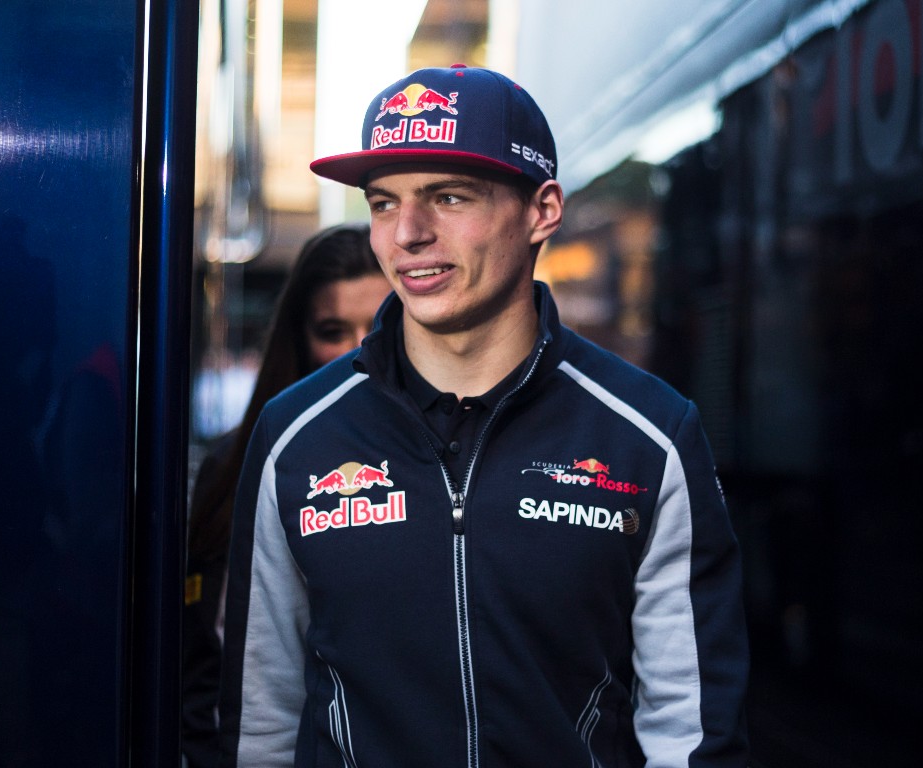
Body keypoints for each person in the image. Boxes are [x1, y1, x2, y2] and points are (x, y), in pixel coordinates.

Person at [217, 64, 748, 767]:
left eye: (448, 196)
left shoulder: (647, 436)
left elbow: (692, 731)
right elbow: (260, 721)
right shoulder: (297, 438)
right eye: (382, 203)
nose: (407, 233)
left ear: (542, 210)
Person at [181, 223, 388, 768]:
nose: (357, 349)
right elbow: (203, 662)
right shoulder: (238, 463)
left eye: (379, 324)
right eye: (332, 329)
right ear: (300, 336)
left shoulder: (441, 469)